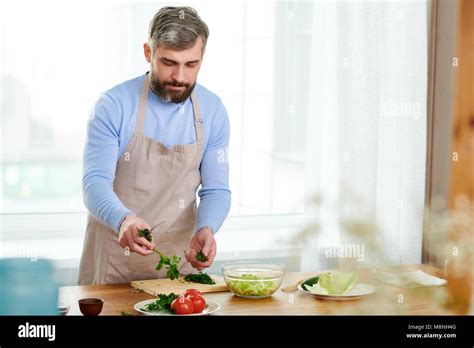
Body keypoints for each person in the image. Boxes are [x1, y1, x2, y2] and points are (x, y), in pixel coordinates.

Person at [78, 6, 231, 284]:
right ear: (149, 53)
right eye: (169, 63)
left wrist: (207, 228)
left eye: (191, 64)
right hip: (114, 262)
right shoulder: (113, 105)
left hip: (178, 264)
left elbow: (216, 189)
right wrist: (124, 219)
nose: (180, 77)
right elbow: (94, 183)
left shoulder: (213, 111)